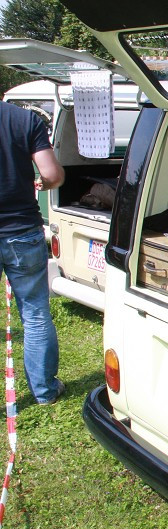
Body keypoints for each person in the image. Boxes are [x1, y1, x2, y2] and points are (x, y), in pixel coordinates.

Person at [0, 101, 65, 405]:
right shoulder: (25, 120)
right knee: (36, 313)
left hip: (18, 229)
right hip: (21, 231)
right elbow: (51, 174)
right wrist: (44, 182)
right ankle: (44, 391)